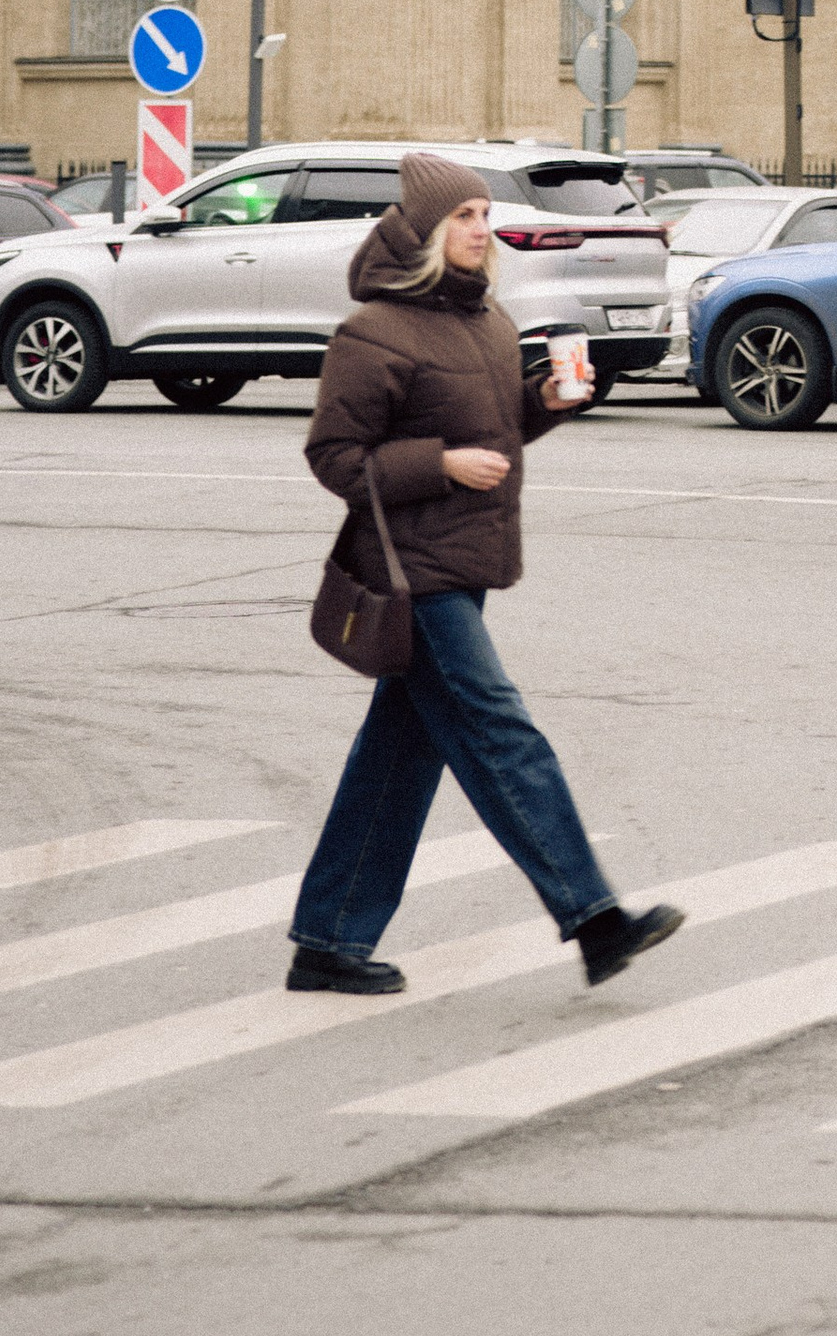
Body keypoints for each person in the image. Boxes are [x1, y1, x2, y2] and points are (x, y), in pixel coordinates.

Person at [289, 148, 682, 996]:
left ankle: (328, 937)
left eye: (482, 216)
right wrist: (440, 465)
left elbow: (495, 438)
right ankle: (594, 918)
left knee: (397, 758)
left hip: (464, 563)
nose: (479, 229)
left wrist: (542, 408)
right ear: (423, 232)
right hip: (409, 573)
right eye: (461, 218)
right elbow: (333, 456)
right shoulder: (375, 333)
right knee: (503, 733)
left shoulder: (490, 322)